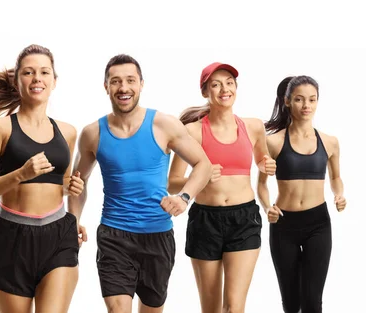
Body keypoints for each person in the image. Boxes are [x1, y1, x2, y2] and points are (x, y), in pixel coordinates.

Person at [68, 54, 212, 313]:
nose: (123, 88)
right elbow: (79, 182)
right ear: (106, 87)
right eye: (116, 81)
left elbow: (204, 165)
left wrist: (184, 197)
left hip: (157, 235)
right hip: (114, 235)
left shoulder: (164, 124)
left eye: (130, 80)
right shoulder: (92, 134)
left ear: (141, 84)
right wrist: (73, 218)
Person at [0, 44, 83, 313]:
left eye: (44, 72)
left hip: (58, 235)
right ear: (17, 81)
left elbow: (57, 184)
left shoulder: (68, 132)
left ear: (54, 81)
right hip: (11, 237)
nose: (37, 78)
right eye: (28, 72)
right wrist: (21, 174)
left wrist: (69, 186)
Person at [168, 62, 277, 313]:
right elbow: (172, 180)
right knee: (211, 309)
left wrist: (265, 164)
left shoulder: (252, 126)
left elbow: (261, 159)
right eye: (215, 85)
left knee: (234, 307)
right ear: (205, 92)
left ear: (236, 88)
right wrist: (201, 177)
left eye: (229, 83)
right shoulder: (192, 131)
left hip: (244, 219)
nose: (223, 89)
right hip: (205, 220)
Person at [257, 75, 346, 313]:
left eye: (312, 99)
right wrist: (267, 208)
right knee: (291, 301)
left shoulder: (330, 142)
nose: (306, 105)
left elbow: (336, 178)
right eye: (299, 99)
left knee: (312, 301)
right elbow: (261, 185)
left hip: (318, 224)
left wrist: (339, 195)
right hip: (284, 225)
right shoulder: (273, 142)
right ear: (287, 101)